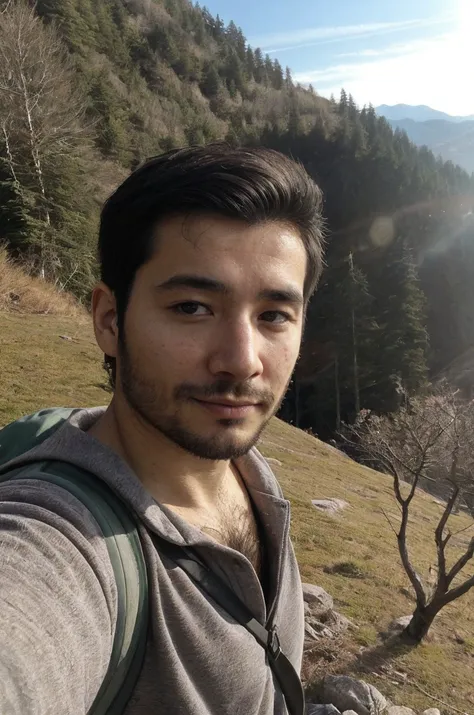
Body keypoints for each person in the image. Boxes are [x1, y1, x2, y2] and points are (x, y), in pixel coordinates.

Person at [0, 145, 325, 714]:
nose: (242, 360)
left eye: (273, 315)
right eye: (193, 307)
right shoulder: (59, 545)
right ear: (109, 319)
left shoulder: (251, 474)